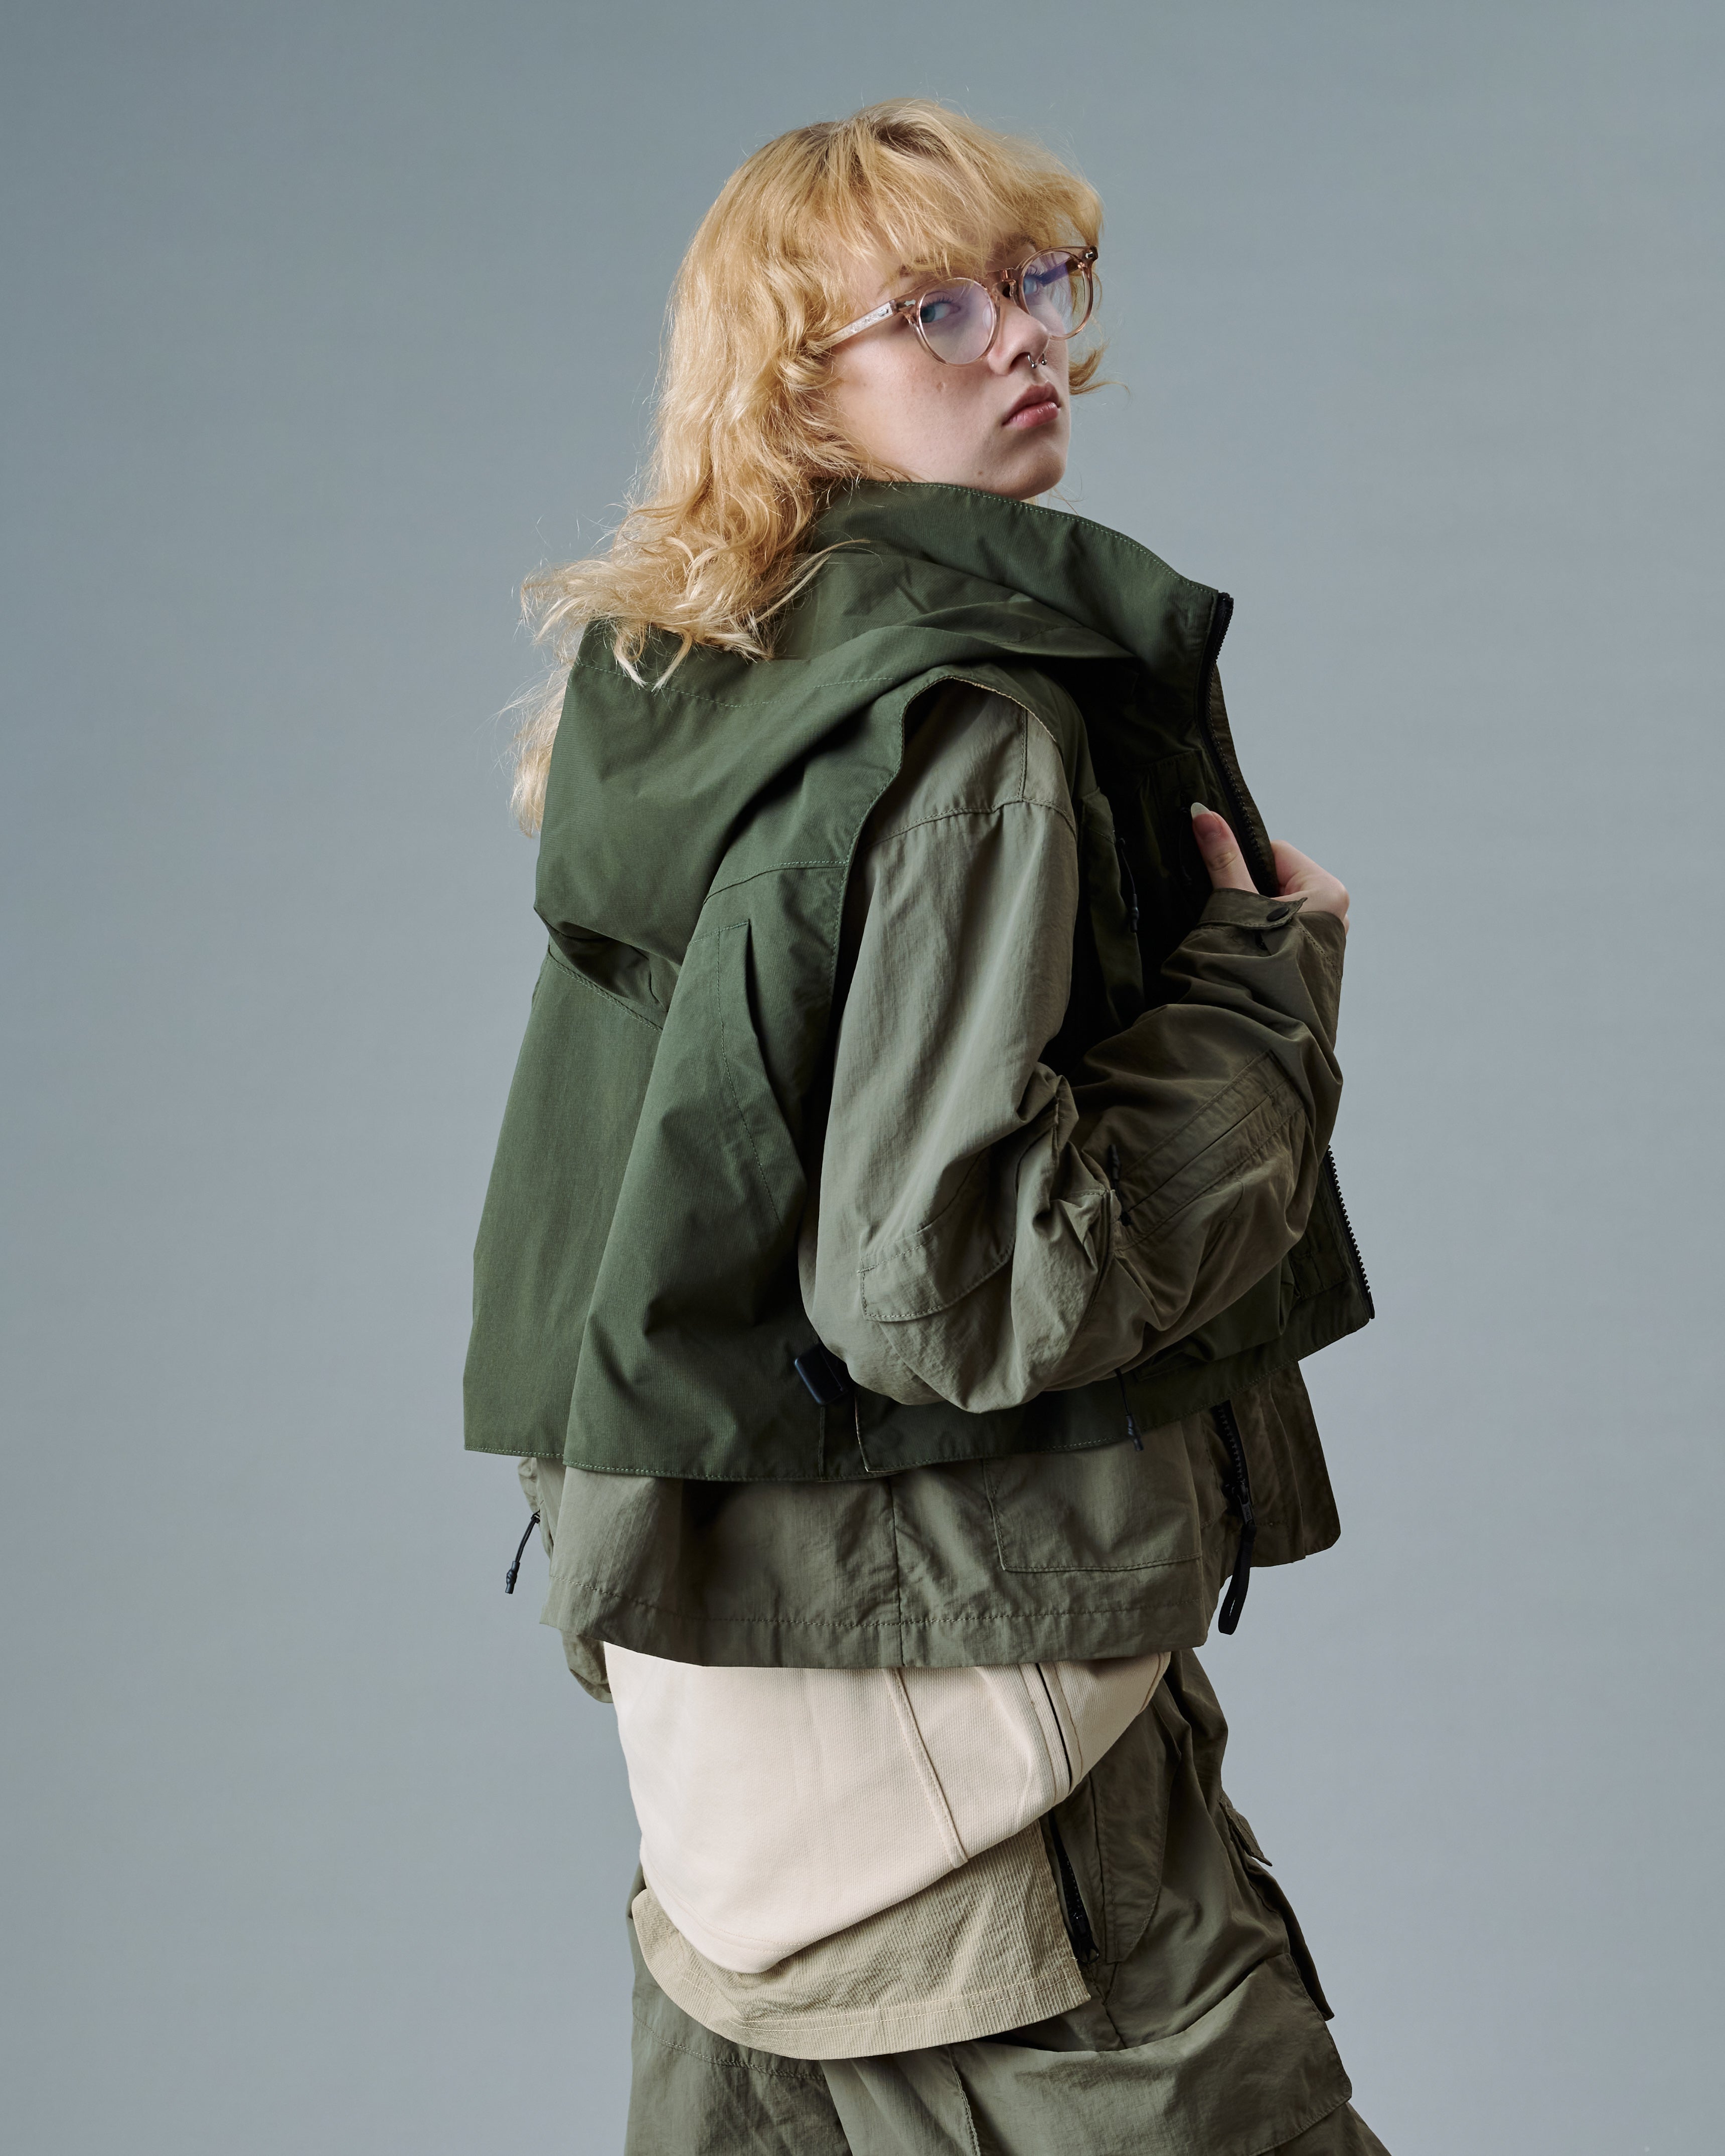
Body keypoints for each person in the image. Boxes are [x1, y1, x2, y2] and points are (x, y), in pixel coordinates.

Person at [466, 98, 1385, 2154]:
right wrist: (1261, 1008)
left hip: (736, 1708)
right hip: (981, 1719)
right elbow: (952, 1281)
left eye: (1040, 281)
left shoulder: (700, 685)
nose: (1028, 336)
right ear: (795, 388)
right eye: (940, 310)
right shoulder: (973, 725)